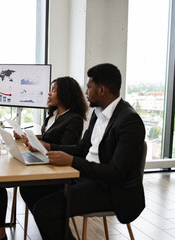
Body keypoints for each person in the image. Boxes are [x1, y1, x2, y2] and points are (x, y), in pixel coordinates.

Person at [20, 63, 146, 240]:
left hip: (111, 189)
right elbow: (81, 149)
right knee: (29, 190)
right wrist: (49, 147)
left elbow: (116, 172)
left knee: (45, 210)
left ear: (101, 90)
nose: (86, 92)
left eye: (89, 87)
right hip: (86, 177)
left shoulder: (129, 121)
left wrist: (71, 161)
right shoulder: (98, 113)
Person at [0, 77, 88, 240]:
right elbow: (48, 139)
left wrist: (45, 146)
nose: (49, 93)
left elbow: (69, 148)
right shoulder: (53, 115)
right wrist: (28, 139)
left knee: (13, 184)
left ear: (65, 94)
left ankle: (8, 230)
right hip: (43, 161)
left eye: (54, 90)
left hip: (56, 170)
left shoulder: (74, 118)